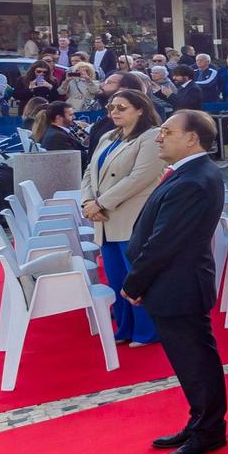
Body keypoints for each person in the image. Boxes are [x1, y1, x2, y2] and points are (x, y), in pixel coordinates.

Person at [123, 110, 228, 454]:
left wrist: (135, 281)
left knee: (196, 361)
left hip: (178, 283)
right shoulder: (189, 172)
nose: (158, 137)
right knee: (191, 361)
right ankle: (200, 422)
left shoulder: (192, 180)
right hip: (175, 282)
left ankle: (209, 431)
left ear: (191, 138)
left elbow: (164, 241)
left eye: (166, 131)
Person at [82, 89, 167, 345]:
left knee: (136, 275)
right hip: (105, 220)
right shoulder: (108, 136)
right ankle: (124, 327)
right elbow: (89, 170)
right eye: (111, 108)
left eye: (122, 107)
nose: (114, 112)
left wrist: (99, 203)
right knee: (116, 276)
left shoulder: (151, 137)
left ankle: (147, 331)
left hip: (131, 217)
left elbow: (139, 178)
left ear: (140, 109)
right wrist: (87, 201)